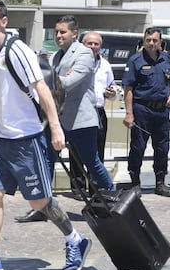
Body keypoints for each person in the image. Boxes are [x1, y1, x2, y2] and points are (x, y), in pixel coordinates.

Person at [0, 0, 92, 270]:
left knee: (39, 202)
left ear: (3, 22)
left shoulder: (17, 50)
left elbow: (42, 88)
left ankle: (75, 240)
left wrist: (55, 128)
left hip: (27, 140)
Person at [15, 19, 114, 222]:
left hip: (80, 119)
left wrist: (52, 79)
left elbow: (67, 83)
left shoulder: (84, 53)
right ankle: (43, 207)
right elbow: (51, 81)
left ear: (74, 33)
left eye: (63, 32)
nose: (58, 36)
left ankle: (113, 197)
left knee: (92, 162)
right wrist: (52, 79)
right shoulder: (55, 56)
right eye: (57, 32)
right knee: (46, 160)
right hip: (57, 119)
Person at [122, 27, 170, 197]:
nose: (151, 43)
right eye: (148, 40)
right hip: (142, 109)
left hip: (161, 111)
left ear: (160, 42)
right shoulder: (135, 60)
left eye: (155, 40)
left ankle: (160, 183)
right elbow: (128, 89)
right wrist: (129, 114)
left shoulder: (166, 58)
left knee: (162, 147)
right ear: (144, 41)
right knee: (138, 147)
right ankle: (135, 183)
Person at [67, 31, 118, 200]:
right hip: (78, 111)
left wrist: (112, 93)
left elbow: (114, 89)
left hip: (97, 112)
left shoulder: (105, 66)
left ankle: (96, 188)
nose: (93, 47)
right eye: (89, 43)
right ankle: (78, 187)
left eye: (96, 44)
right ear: (82, 44)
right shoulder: (73, 62)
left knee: (97, 152)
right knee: (75, 151)